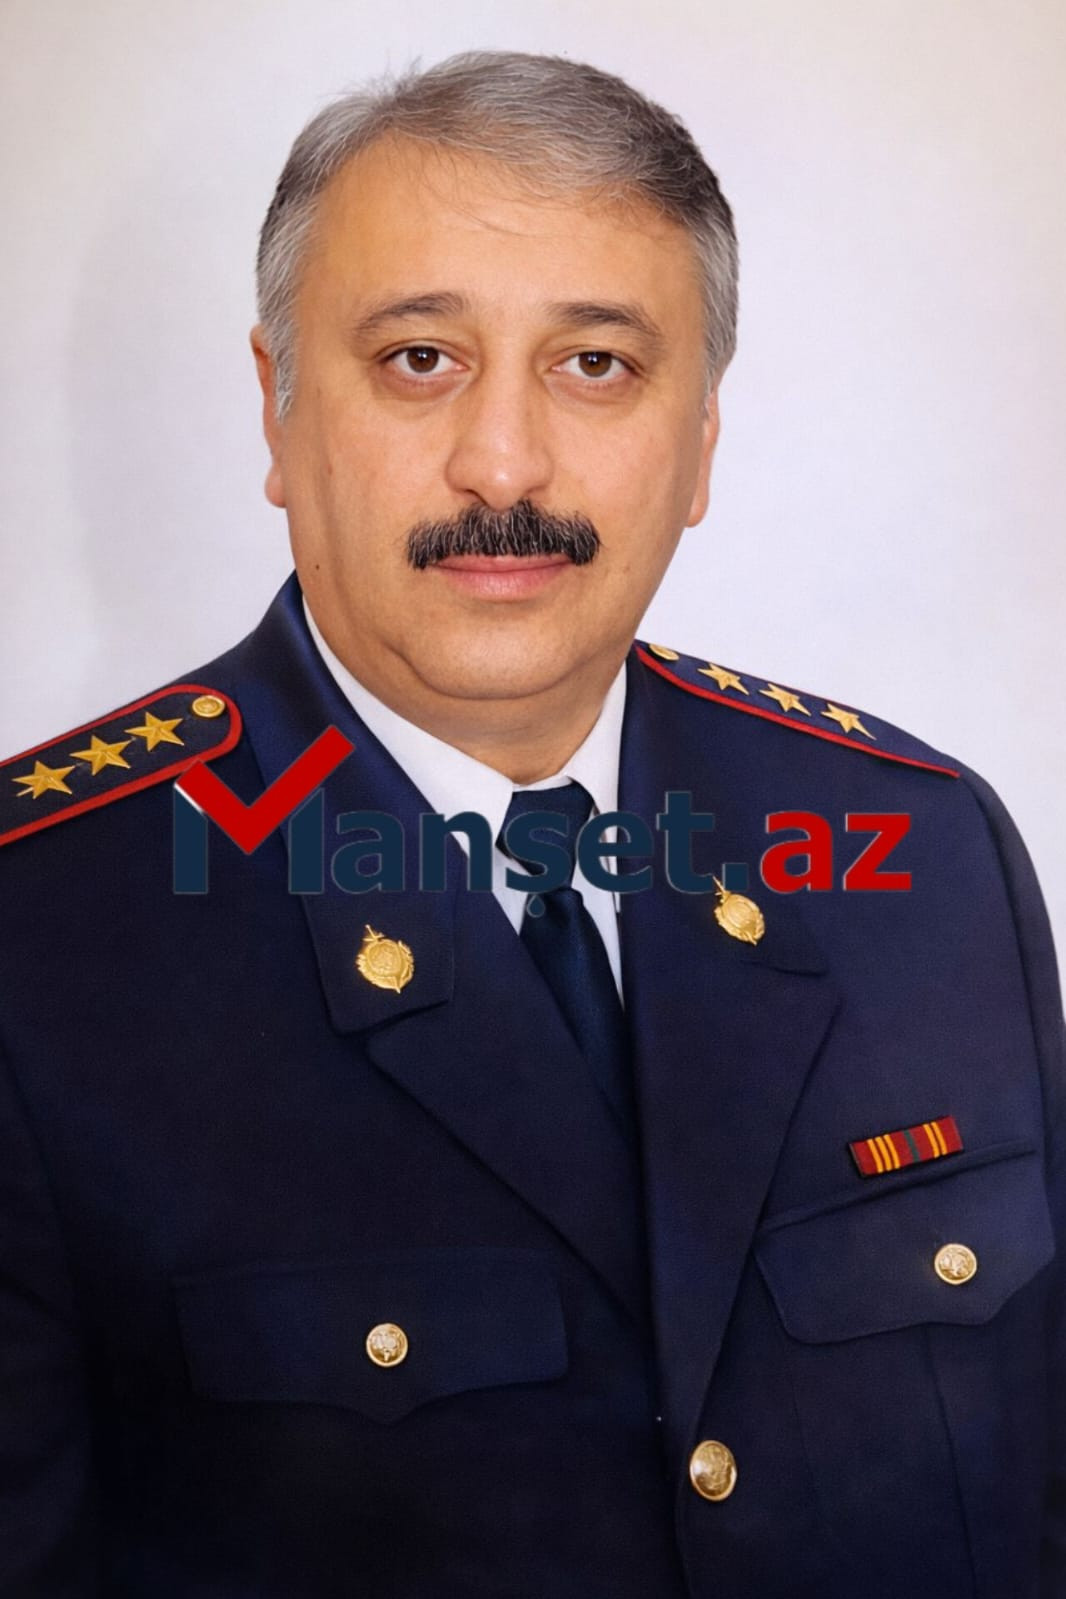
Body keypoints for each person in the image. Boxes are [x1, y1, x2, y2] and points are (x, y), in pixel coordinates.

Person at [0, 49, 1062, 1599]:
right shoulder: (41, 938)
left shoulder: (920, 855)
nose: (503, 464)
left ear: (699, 442)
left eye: (597, 365)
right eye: (419, 358)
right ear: (278, 413)